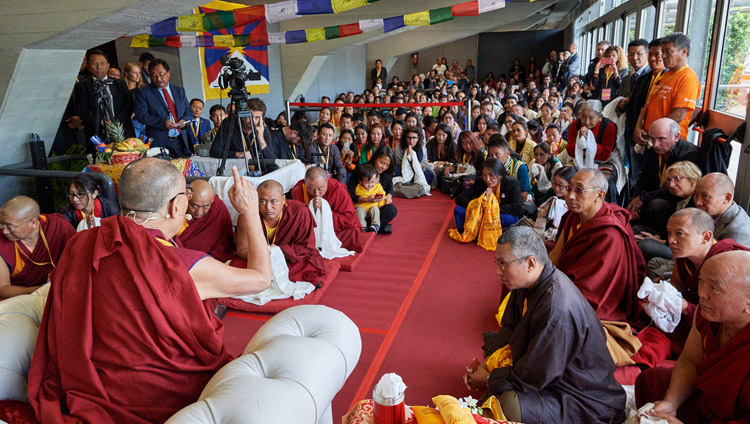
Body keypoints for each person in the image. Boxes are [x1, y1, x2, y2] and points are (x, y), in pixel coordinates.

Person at [27, 160, 272, 423]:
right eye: (186, 195)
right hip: (161, 394)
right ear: (175, 206)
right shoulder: (184, 265)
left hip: (88, 385)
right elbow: (261, 278)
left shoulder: (81, 244)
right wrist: (248, 212)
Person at [464, 227, 626, 423]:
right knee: (492, 351)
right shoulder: (527, 283)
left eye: (503, 264)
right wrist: (486, 365)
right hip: (547, 369)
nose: (498, 272)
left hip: (580, 396)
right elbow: (510, 329)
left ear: (530, 263)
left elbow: (533, 376)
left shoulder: (556, 308)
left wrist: (489, 378)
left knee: (509, 404)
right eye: (497, 263)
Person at [635, 251, 750, 424]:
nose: (701, 293)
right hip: (707, 402)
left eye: (714, 287)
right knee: (651, 380)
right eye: (701, 281)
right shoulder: (707, 314)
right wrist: (671, 402)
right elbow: (689, 360)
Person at [549, 169, 644, 324]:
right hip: (565, 281)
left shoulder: (609, 234)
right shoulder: (573, 217)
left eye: (579, 190)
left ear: (600, 195)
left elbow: (592, 288)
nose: (570, 196)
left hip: (591, 296)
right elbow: (556, 255)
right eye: (569, 188)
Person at [657, 208, 749, 345]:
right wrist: (662, 292)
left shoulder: (726, 260)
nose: (671, 240)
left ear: (705, 237)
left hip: (719, 323)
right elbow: (677, 284)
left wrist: (686, 307)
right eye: (669, 233)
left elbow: (730, 312)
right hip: (697, 313)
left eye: (680, 234)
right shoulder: (684, 255)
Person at [239, 180, 326, 284]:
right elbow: (242, 249)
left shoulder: (299, 212)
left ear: (283, 199)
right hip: (259, 259)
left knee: (307, 266)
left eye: (274, 201)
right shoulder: (248, 216)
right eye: (262, 201)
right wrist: (266, 254)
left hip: (288, 258)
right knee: (237, 266)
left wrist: (278, 251)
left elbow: (306, 248)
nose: (268, 207)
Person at [0, 196, 75, 299]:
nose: (5, 231)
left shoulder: (57, 226)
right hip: (21, 298)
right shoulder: (2, 242)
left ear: (34, 222)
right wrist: (40, 290)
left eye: (10, 226)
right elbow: (2, 288)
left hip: (62, 290)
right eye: (2, 225)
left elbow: (79, 259)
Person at [628, 118, 700, 222]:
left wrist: (643, 198)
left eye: (662, 139)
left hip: (678, 201)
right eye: (652, 139)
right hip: (657, 193)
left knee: (656, 204)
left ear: (676, 136)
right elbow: (644, 178)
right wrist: (634, 204)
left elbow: (677, 189)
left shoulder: (690, 154)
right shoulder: (654, 151)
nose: (655, 144)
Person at [634, 33, 701, 143]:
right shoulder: (666, 75)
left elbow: (678, 116)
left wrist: (653, 132)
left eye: (668, 52)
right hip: (650, 139)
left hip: (666, 142)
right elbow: (647, 105)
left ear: (684, 52)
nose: (663, 56)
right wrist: (638, 127)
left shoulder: (688, 79)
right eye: (663, 51)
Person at [635, 161, 703, 261]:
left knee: (646, 245)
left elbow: (689, 241)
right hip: (672, 239)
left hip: (685, 251)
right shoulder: (679, 198)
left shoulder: (698, 203)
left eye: (677, 178)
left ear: (693, 178)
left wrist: (660, 241)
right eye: (668, 181)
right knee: (637, 229)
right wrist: (658, 237)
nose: (671, 184)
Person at [290, 166, 363, 252]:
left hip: (334, 230)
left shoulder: (338, 189)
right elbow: (297, 220)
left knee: (353, 233)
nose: (316, 194)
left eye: (320, 189)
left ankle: (315, 246)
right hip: (310, 232)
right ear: (306, 184)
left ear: (327, 181)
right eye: (311, 189)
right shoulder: (299, 190)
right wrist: (311, 211)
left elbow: (349, 220)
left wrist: (324, 212)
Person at [75, 49, 135, 153]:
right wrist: (101, 121)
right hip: (97, 132)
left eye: (102, 63)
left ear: (107, 65)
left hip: (122, 131)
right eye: (94, 63)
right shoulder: (82, 86)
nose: (99, 67)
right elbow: (82, 110)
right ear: (88, 66)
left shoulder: (119, 84)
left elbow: (128, 106)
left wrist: (114, 122)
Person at [452, 158, 524, 241]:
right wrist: (479, 205)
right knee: (458, 210)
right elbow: (460, 199)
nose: (487, 179)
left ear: (500, 175)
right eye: (484, 175)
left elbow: (517, 208)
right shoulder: (480, 182)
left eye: (491, 175)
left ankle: (487, 234)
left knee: (508, 219)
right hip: (481, 213)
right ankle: (475, 232)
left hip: (499, 214)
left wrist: (490, 208)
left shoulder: (511, 184)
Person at [134, 58, 193, 157]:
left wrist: (184, 121)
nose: (158, 78)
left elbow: (189, 112)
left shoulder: (179, 91)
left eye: (162, 74)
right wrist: (162, 123)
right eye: (154, 75)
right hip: (158, 141)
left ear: (168, 73)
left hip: (180, 140)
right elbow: (141, 114)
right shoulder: (144, 92)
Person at [622, 38, 662, 184]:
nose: (653, 58)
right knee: (635, 175)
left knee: (647, 177)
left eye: (656, 54)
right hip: (634, 132)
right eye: (631, 54)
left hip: (652, 137)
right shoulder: (642, 78)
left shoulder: (667, 79)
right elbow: (636, 106)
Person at [176, 179, 235, 262]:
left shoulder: (217, 207)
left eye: (205, 207)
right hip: (178, 257)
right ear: (187, 198)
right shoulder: (177, 206)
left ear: (211, 201)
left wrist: (211, 258)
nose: (199, 212)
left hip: (207, 260)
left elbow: (225, 240)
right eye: (194, 206)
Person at [347, 146, 398, 234]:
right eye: (382, 163)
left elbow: (390, 188)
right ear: (375, 158)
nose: (384, 167)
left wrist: (389, 196)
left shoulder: (386, 173)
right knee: (356, 212)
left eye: (387, 165)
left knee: (391, 210)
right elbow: (349, 192)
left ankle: (369, 226)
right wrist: (366, 200)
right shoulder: (361, 170)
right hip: (359, 208)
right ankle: (377, 227)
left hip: (375, 209)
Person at [693, 172, 750, 247]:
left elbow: (727, 258)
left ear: (727, 198)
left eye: (705, 196)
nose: (697, 202)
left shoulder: (738, 232)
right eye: (696, 194)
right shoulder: (712, 212)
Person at [534, 165, 577, 241]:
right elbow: (539, 212)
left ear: (570, 186)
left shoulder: (574, 200)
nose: (556, 188)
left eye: (561, 185)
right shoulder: (551, 192)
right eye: (554, 183)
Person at [354, 164, 388, 233]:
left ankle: (375, 225)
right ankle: (362, 226)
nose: (370, 185)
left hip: (372, 210)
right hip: (362, 211)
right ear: (360, 182)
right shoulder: (357, 188)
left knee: (375, 209)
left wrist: (381, 204)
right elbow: (354, 200)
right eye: (367, 183)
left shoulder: (378, 187)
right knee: (359, 210)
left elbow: (383, 196)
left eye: (373, 182)